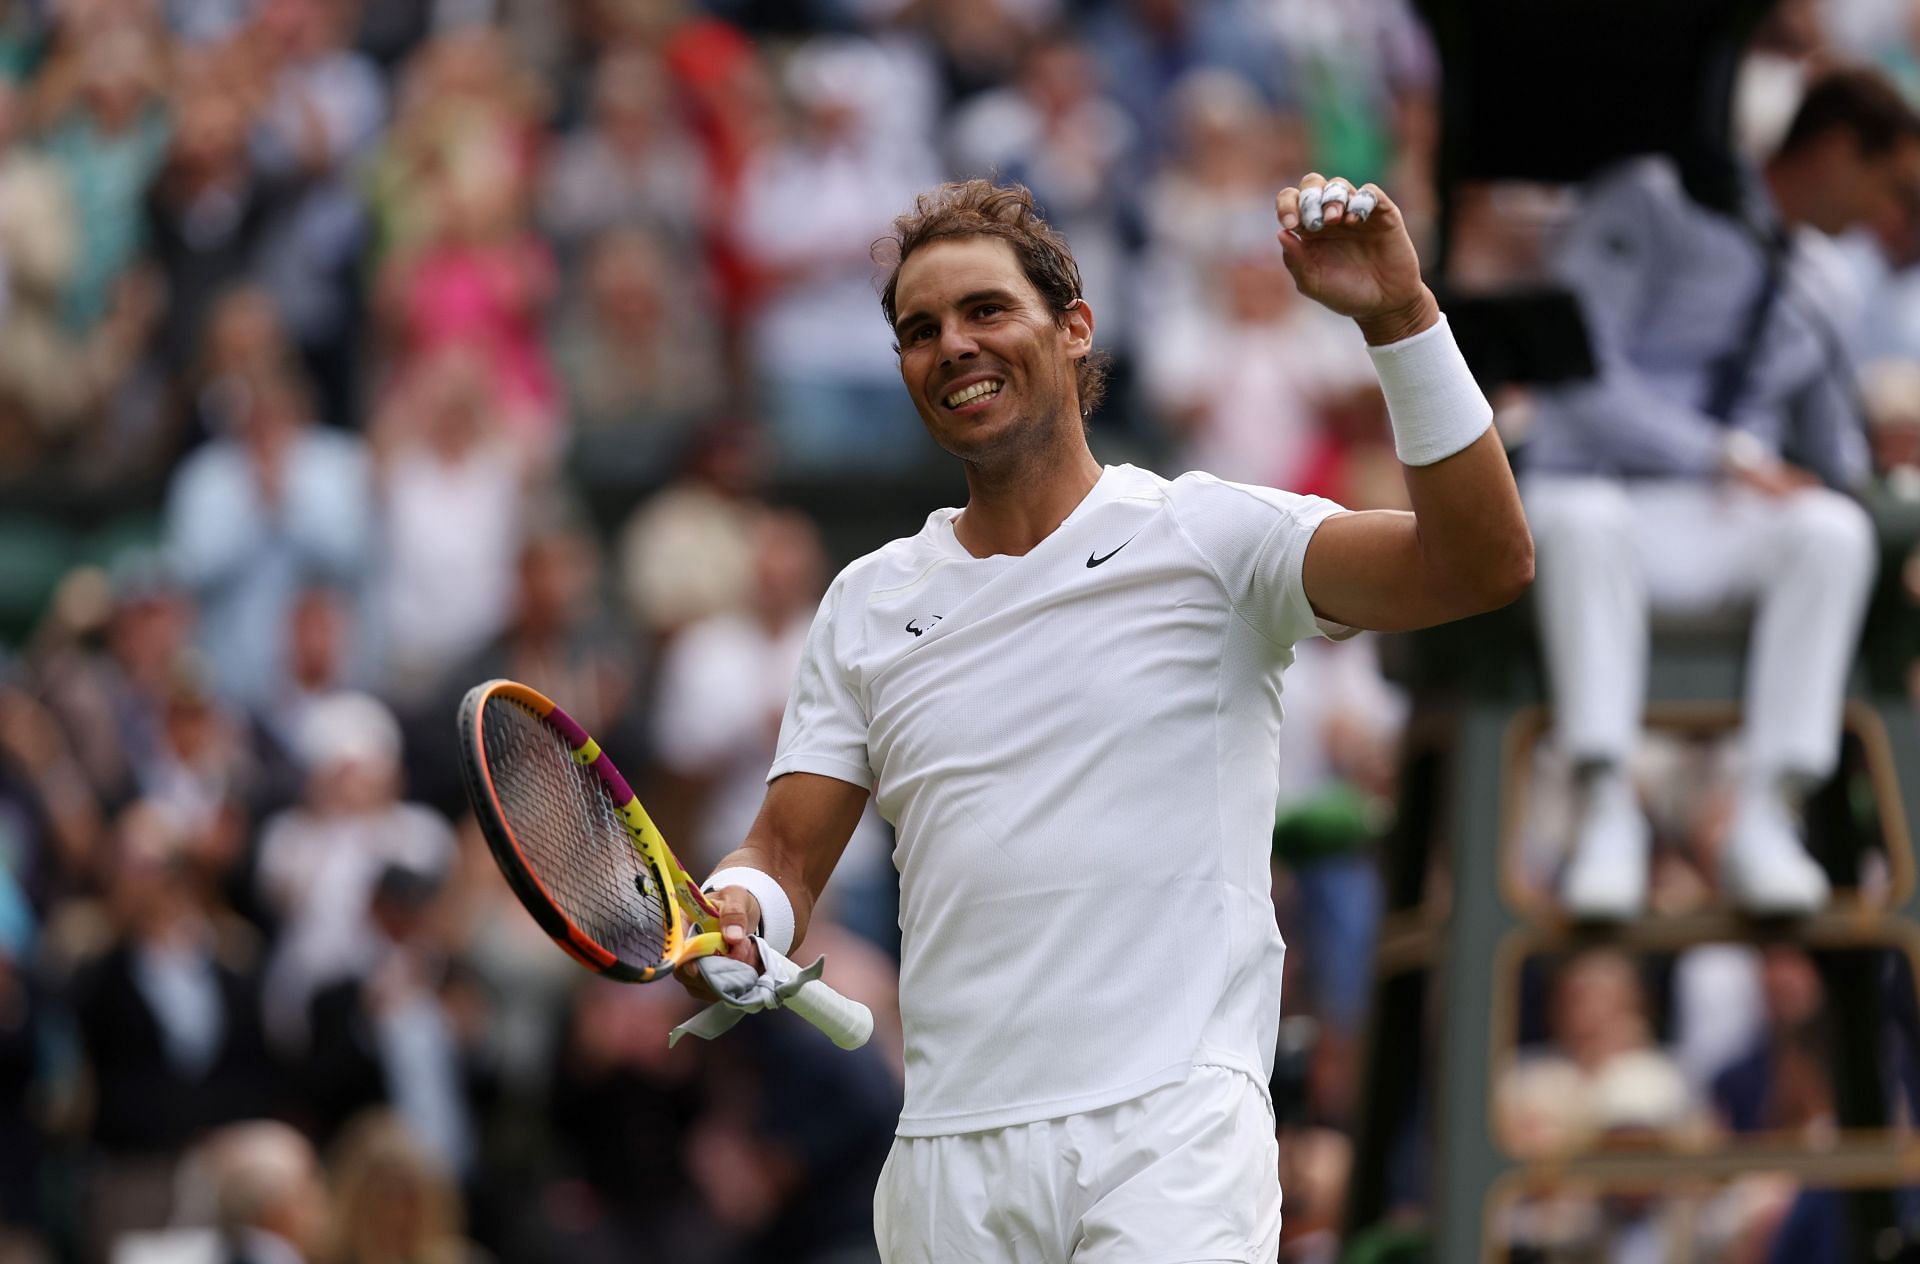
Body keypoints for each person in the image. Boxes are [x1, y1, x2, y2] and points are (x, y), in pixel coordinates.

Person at [679, 175, 1532, 1259]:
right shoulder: (866, 601)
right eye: (919, 329)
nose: (952, 345)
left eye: (986, 310)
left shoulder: (1212, 537)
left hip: (1169, 1137)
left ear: (1074, 330)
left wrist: (1401, 319)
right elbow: (786, 855)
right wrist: (744, 908)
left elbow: (1484, 562)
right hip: (947, 1164)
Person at [1526, 68, 1920, 920]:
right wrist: (1723, 456)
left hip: (1714, 525)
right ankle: (1607, 811)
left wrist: (1880, 489)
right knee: (1586, 522)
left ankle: (1765, 815)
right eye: (1893, 187)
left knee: (1831, 534)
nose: (1893, 216)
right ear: (1840, 151)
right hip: (1594, 497)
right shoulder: (1651, 200)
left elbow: (1830, 454)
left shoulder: (1828, 281)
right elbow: (1577, 380)